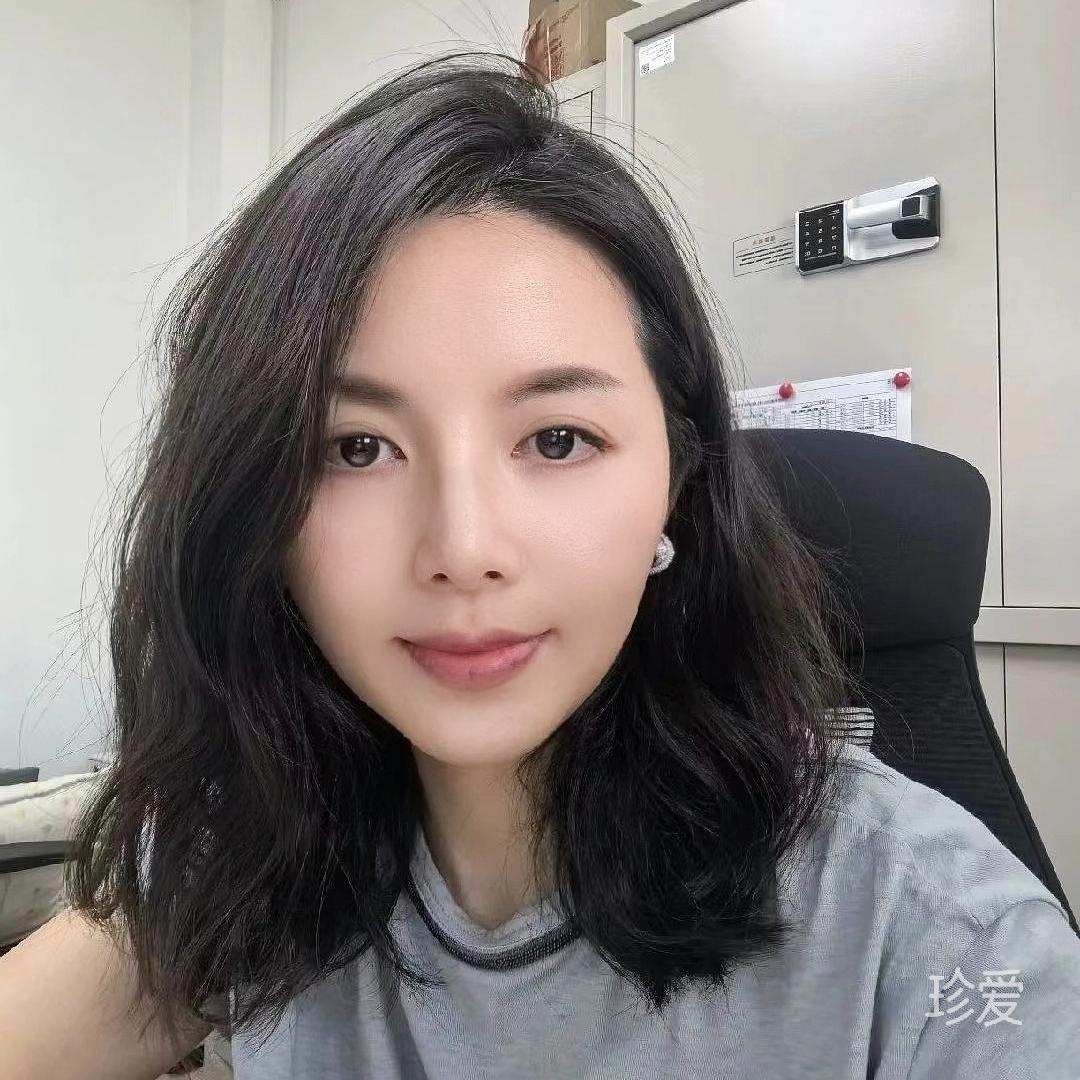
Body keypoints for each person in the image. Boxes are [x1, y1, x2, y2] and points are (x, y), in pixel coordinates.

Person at [2, 51, 1079, 1080]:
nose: (464, 550)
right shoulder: (256, 847)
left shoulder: (943, 942)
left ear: (678, 481)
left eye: (558, 440)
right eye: (356, 449)